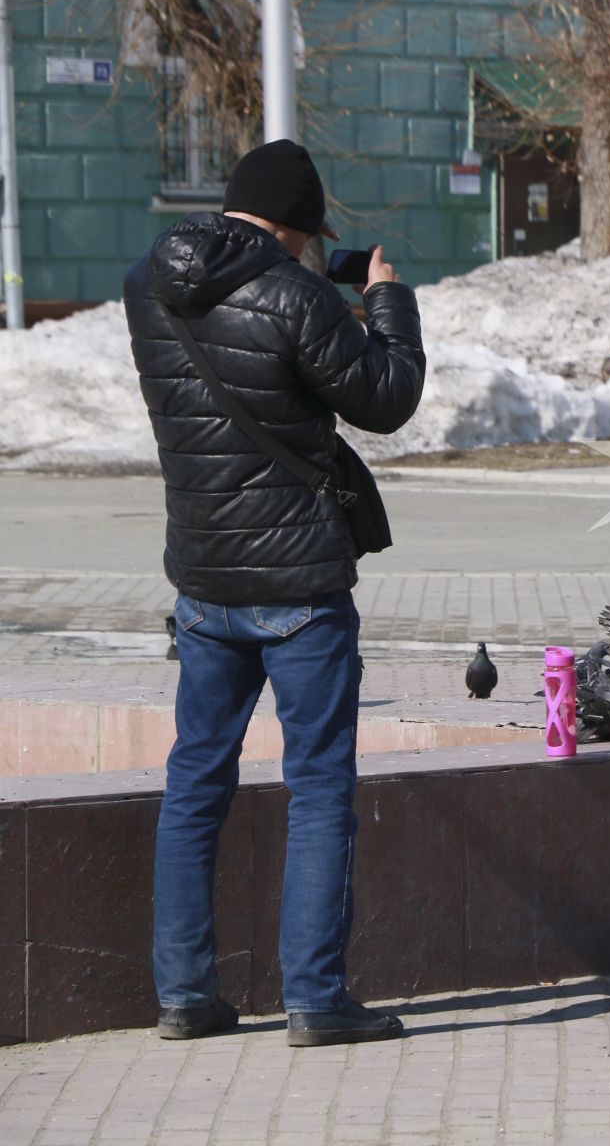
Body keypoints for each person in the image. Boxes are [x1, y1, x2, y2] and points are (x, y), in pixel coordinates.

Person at [123, 139, 427, 1046]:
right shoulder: (297, 296)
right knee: (321, 785)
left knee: (195, 781)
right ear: (298, 228)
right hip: (298, 586)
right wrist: (386, 301)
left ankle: (183, 995)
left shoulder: (148, 285)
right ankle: (316, 1001)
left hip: (204, 581)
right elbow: (385, 395)